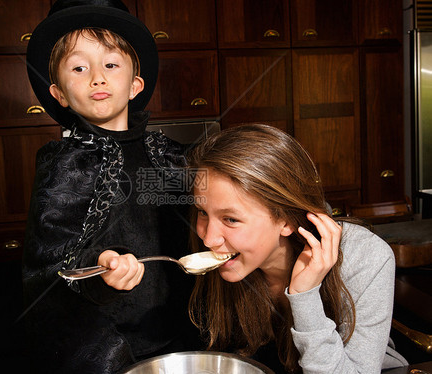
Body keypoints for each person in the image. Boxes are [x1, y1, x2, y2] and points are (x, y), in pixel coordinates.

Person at [22, 0, 199, 373]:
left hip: (178, 332)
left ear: (135, 84)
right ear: (59, 93)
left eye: (111, 64)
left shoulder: (166, 154)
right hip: (108, 348)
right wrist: (96, 267)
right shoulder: (64, 165)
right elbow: (50, 262)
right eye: (79, 67)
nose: (97, 78)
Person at [186, 124, 408, 373]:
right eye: (203, 212)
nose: (208, 239)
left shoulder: (365, 258)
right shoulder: (222, 259)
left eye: (231, 219)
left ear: (287, 220)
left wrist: (305, 297)